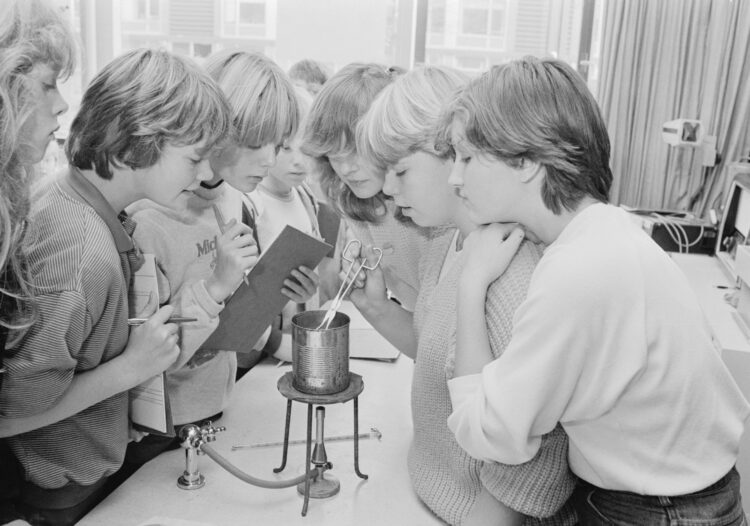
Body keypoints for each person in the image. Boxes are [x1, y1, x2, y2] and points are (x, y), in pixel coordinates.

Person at [442, 56, 750, 525]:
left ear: (525, 160)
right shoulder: (610, 231)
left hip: (657, 512)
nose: (454, 178)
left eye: (466, 157)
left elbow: (493, 432)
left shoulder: (578, 271)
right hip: (693, 495)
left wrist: (471, 285)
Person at [0, 47, 231, 526]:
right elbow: (11, 411)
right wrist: (132, 367)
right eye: (195, 158)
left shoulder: (74, 203)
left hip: (82, 481)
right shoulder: (83, 253)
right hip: (63, 494)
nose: (208, 175)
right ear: (138, 144)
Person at [352, 65, 576, 526]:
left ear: (452, 155)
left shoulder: (513, 276)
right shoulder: (446, 243)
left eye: (399, 171)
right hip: (427, 498)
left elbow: (537, 461)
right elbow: (446, 362)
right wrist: (376, 309)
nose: (389, 191)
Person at [121, 50, 319, 474]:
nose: (268, 159)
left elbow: (233, 330)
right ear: (215, 131)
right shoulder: (148, 217)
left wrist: (279, 294)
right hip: (156, 434)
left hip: (216, 407)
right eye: (254, 144)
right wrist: (216, 286)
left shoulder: (235, 201)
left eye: (278, 145)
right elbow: (141, 365)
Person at [301, 62, 440, 314]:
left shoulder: (429, 208)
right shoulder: (353, 199)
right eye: (333, 155)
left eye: (355, 151)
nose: (345, 169)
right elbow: (425, 330)